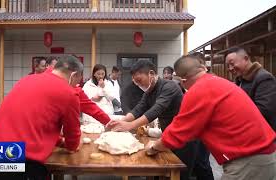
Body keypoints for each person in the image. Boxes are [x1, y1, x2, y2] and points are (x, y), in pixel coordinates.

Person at [146, 55, 276, 180]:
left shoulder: (198, 90)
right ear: (203, 68)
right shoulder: (220, 82)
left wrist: (154, 147)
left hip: (248, 160)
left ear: (182, 80)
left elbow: (177, 132)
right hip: (264, 154)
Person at [0, 55, 84, 179]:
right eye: (77, 82)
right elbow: (72, 138)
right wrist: (72, 145)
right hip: (18, 156)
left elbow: (35, 121)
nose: (75, 86)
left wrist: (59, 142)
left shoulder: (27, 80)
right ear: (74, 75)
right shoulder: (69, 93)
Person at [107, 60, 197, 180]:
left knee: (181, 174)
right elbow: (139, 109)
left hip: (185, 137)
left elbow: (156, 110)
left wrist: (130, 125)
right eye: (136, 83)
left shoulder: (169, 86)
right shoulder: (149, 91)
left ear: (151, 73)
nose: (139, 85)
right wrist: (122, 121)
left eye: (140, 81)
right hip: (169, 135)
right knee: (163, 171)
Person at [225, 47, 276, 131]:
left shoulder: (264, 78)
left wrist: (234, 116)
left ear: (246, 59)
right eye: (228, 66)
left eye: (232, 63)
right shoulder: (240, 80)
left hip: (263, 133)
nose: (230, 68)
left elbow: (264, 111)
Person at [189, 52, 214, 180]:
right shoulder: (188, 82)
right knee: (196, 163)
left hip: (205, 131)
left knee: (202, 163)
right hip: (193, 131)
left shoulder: (210, 82)